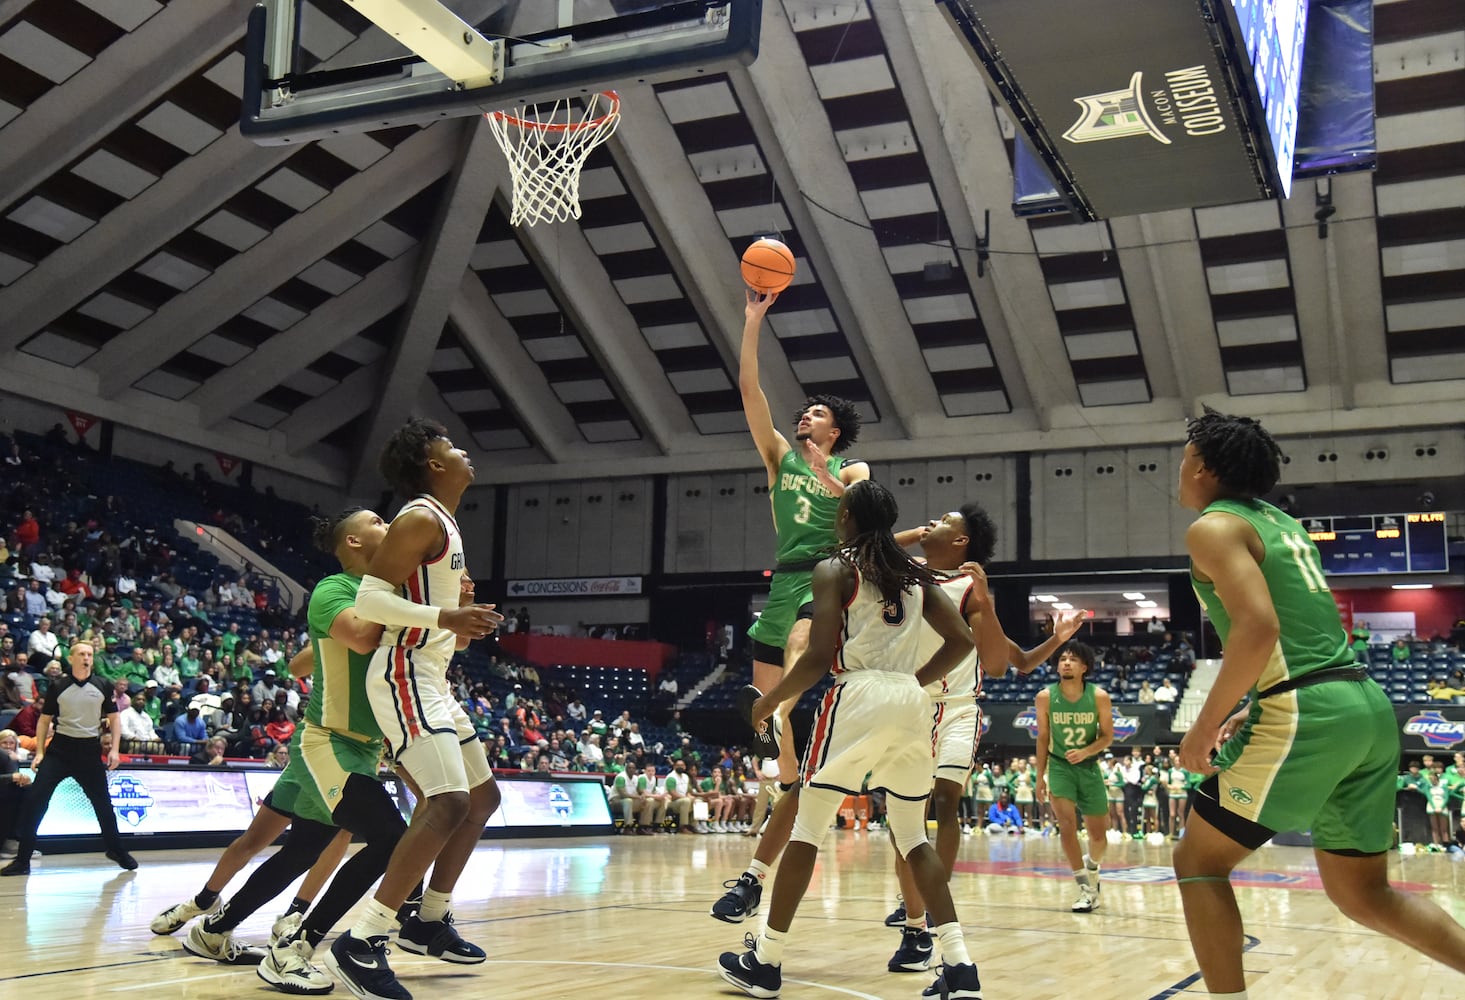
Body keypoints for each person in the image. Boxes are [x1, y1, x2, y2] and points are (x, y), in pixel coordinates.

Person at [1172, 409, 1465, 997]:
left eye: (1182, 456)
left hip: (1309, 710)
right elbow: (1299, 634)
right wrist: (1251, 702)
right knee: (1363, 892)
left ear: (1202, 467)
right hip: (1362, 704)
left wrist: (1202, 728)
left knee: (1198, 862)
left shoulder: (1214, 526)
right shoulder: (1281, 522)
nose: (1179, 467)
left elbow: (1258, 629)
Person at [717, 480, 985, 1000]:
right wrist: (915, 681)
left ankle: (766, 961)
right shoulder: (916, 576)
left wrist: (770, 703)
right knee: (913, 837)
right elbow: (963, 642)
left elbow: (818, 657)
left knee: (809, 828)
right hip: (912, 702)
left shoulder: (836, 568)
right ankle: (961, 968)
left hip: (855, 696)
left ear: (845, 517)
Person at [165, 508, 422, 994]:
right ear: (352, 541)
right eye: (376, 520)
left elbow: (309, 660)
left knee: (301, 851)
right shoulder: (336, 590)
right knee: (391, 836)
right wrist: (428, 614)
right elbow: (362, 638)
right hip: (327, 743)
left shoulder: (384, 595)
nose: (387, 523)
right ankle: (295, 947)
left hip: (363, 749)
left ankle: (213, 931)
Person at [712, 289, 869, 924]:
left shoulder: (853, 471)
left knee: (803, 648)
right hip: (780, 588)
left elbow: (861, 510)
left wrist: (823, 468)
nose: (805, 415)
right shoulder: (778, 457)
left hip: (828, 578)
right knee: (775, 735)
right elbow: (752, 393)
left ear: (835, 430)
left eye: (817, 412)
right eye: (803, 410)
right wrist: (751, 320)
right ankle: (784, 767)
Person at [335, 420, 505, 1000]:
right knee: (448, 802)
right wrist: (445, 618)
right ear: (434, 465)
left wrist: (459, 621)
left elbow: (434, 624)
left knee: (482, 798)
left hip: (432, 674)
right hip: (403, 674)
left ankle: (430, 919)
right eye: (451, 446)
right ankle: (364, 939)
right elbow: (371, 600)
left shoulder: (447, 525)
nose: (463, 451)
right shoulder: (419, 517)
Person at [881, 505, 1082, 967]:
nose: (931, 522)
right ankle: (914, 927)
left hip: (956, 709)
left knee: (948, 803)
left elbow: (1013, 663)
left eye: (944, 522)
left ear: (962, 543)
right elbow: (876, 546)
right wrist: (919, 532)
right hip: (907, 706)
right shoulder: (907, 574)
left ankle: (934, 908)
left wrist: (1053, 636)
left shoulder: (971, 589)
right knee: (902, 824)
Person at [1, 641, 136, 875]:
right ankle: (23, 861)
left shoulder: (103, 685)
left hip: (89, 752)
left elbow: (114, 720)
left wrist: (114, 750)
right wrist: (41, 752)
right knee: (35, 802)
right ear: (71, 658)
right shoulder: (58, 685)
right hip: (60, 750)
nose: (86, 658)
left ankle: (116, 849)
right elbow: (44, 720)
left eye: (90, 654)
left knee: (103, 805)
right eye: (82, 654)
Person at [1034, 641, 1114, 911]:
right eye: (1063, 659)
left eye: (1073, 659)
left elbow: (1107, 737)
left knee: (1099, 836)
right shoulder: (1045, 697)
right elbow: (1043, 737)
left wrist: (1086, 751)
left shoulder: (1099, 696)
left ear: (1085, 667)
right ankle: (1084, 887)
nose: (1066, 662)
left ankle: (1092, 868)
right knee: (1067, 826)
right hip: (1059, 767)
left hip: (1089, 766)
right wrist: (1039, 776)